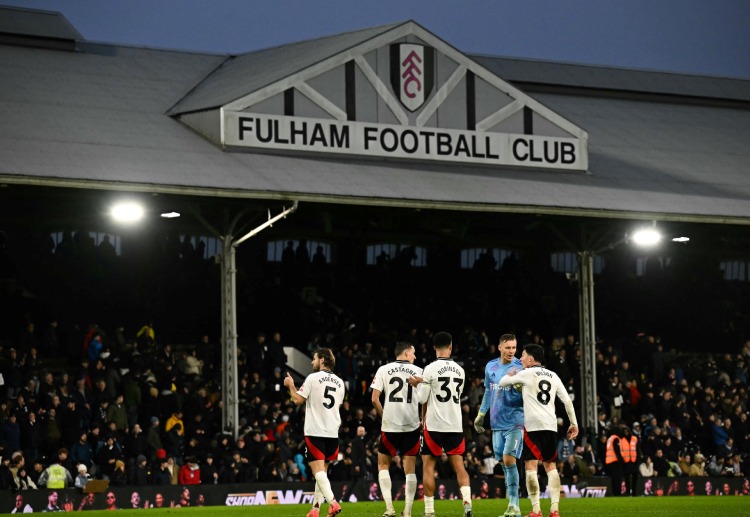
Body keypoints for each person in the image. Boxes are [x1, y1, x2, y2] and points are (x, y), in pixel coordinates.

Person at [497, 343, 578, 517]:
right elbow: (567, 401)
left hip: (533, 426)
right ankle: (555, 510)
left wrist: (511, 373)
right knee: (551, 466)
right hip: (550, 425)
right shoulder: (553, 375)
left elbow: (502, 382)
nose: (520, 358)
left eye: (523, 355)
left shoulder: (525, 374)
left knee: (531, 467)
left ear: (531, 359)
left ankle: (536, 511)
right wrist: (573, 423)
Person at [408, 331, 473, 517]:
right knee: (460, 466)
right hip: (455, 424)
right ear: (451, 347)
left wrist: (417, 384)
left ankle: (429, 512)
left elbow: (422, 398)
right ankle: (467, 503)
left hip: (434, 425)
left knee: (428, 466)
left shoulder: (429, 369)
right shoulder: (460, 370)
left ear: (434, 347)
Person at [284, 348, 345, 517]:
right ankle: (315, 509)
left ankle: (333, 503)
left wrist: (291, 386)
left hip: (316, 430)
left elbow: (297, 400)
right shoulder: (340, 382)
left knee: (317, 471)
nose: (312, 362)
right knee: (322, 474)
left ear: (323, 360)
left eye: (314, 359)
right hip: (332, 432)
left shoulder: (312, 378)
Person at [474, 333, 524, 517]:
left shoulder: (520, 366)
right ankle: (512, 504)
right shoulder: (491, 366)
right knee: (503, 462)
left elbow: (527, 394)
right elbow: (488, 391)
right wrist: (481, 414)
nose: (512, 351)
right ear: (500, 347)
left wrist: (520, 388)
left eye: (514, 347)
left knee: (510, 460)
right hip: (496, 423)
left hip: (515, 421)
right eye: (508, 347)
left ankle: (514, 504)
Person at [371, 341, 423, 517]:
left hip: (390, 425)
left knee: (383, 465)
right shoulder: (419, 372)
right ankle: (407, 511)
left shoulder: (383, 370)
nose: (415, 357)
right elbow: (425, 399)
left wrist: (383, 415)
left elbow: (374, 399)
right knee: (410, 470)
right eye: (413, 353)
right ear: (407, 353)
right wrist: (422, 418)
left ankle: (389, 509)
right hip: (411, 425)